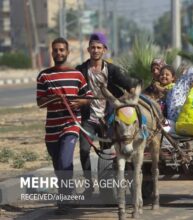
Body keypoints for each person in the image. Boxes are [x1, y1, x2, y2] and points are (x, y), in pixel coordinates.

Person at [76, 32, 140, 197]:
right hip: (88, 118)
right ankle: (89, 185)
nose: (95, 50)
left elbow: (131, 86)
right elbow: (72, 88)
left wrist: (127, 96)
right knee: (84, 150)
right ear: (88, 49)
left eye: (99, 47)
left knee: (111, 152)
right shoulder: (80, 70)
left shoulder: (112, 70)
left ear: (104, 50)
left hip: (110, 119)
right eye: (93, 47)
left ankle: (123, 182)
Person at [36, 37, 92, 214]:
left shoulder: (77, 75)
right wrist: (53, 98)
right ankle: (71, 193)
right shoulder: (44, 76)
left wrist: (79, 103)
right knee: (58, 163)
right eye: (56, 50)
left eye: (62, 50)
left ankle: (64, 201)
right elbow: (40, 102)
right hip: (52, 127)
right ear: (52, 52)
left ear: (67, 52)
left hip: (70, 124)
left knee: (65, 160)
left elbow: (88, 96)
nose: (59, 53)